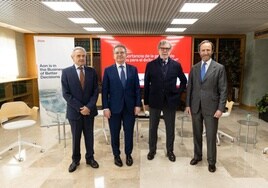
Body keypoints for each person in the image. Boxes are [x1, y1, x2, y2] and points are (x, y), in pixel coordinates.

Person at [185, 40, 227, 173]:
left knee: (210, 135)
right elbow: (190, 88)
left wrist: (221, 108)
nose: (205, 53)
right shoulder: (194, 68)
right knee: (197, 134)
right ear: (199, 51)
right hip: (196, 106)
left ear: (212, 51)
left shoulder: (219, 68)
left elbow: (223, 90)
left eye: (208, 50)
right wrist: (188, 105)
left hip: (212, 108)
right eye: (203, 50)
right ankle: (197, 156)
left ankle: (211, 161)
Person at [144, 39, 187, 162]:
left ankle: (170, 151)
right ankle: (152, 150)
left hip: (170, 102)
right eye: (162, 48)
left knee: (170, 128)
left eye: (167, 48)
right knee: (153, 128)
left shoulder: (176, 65)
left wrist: (178, 94)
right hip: (154, 101)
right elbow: (147, 84)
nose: (164, 51)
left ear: (170, 50)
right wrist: (146, 102)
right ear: (158, 50)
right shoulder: (150, 65)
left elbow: (183, 81)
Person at [102, 44, 142, 167]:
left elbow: (137, 89)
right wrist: (105, 107)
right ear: (114, 55)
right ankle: (116, 155)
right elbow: (104, 91)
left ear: (126, 55)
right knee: (114, 132)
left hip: (130, 108)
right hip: (113, 108)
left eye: (122, 52)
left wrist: (137, 104)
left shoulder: (133, 69)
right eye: (117, 53)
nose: (120, 55)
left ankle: (128, 154)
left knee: (129, 132)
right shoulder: (108, 70)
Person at [61, 46, 99, 173]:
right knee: (75, 138)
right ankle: (75, 160)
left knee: (89, 136)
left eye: (83, 56)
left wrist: (88, 107)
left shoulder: (92, 71)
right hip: (74, 112)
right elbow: (66, 94)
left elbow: (95, 91)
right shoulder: (66, 72)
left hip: (89, 111)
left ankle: (90, 158)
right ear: (73, 57)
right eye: (78, 56)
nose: (82, 58)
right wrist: (80, 108)